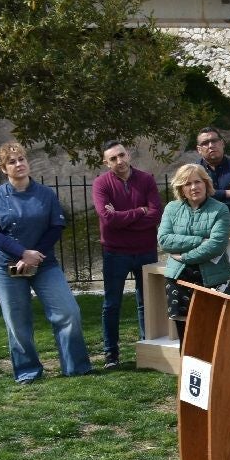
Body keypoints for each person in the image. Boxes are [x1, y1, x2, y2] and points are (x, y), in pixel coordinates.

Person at [0, 142, 92, 383]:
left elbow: (56, 226)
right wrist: (22, 253)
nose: (19, 164)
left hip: (44, 264)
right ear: (3, 169)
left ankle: (76, 367)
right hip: (6, 268)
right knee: (17, 322)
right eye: (12, 161)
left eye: (22, 159)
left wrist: (35, 255)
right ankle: (28, 371)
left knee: (68, 312)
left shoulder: (45, 194)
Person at [92, 140, 163, 369]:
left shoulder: (146, 179)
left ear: (128, 154)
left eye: (121, 155)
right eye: (113, 159)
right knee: (112, 304)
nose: (119, 161)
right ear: (106, 162)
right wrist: (139, 212)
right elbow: (107, 219)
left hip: (145, 250)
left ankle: (148, 347)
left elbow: (155, 215)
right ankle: (111, 354)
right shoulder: (101, 184)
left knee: (147, 302)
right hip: (115, 252)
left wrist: (123, 217)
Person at [156, 165, 230, 342]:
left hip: (211, 278)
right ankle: (188, 370)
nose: (193, 187)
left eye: (197, 181)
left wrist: (184, 257)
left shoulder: (220, 209)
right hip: (178, 279)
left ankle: (213, 370)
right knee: (185, 336)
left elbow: (216, 245)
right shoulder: (171, 208)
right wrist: (199, 240)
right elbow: (165, 240)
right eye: (187, 183)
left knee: (210, 334)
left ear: (206, 183)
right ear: (181, 188)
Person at [195, 126, 230, 226]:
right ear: (199, 149)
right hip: (200, 226)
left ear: (222, 143)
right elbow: (192, 198)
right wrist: (225, 193)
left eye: (214, 141)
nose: (211, 145)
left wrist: (207, 196)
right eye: (205, 143)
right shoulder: (192, 172)